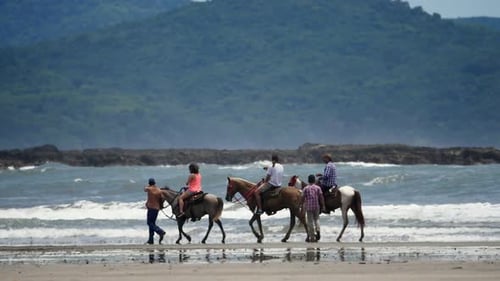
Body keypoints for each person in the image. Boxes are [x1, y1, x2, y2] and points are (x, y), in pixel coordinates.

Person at [301, 174, 325, 242]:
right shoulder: (318, 188)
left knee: (310, 222)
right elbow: (321, 197)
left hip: (309, 207)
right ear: (314, 180)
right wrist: (323, 205)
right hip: (316, 206)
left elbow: (302, 198)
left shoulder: (305, 188)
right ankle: (318, 230)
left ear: (308, 180)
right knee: (317, 219)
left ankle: (312, 237)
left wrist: (301, 205)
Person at [144, 178, 166, 244]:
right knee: (152, 224)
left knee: (149, 223)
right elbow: (162, 198)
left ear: (149, 183)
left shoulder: (149, 189)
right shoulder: (159, 190)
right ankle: (151, 240)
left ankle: (160, 231)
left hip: (151, 208)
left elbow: (145, 189)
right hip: (156, 208)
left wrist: (148, 186)